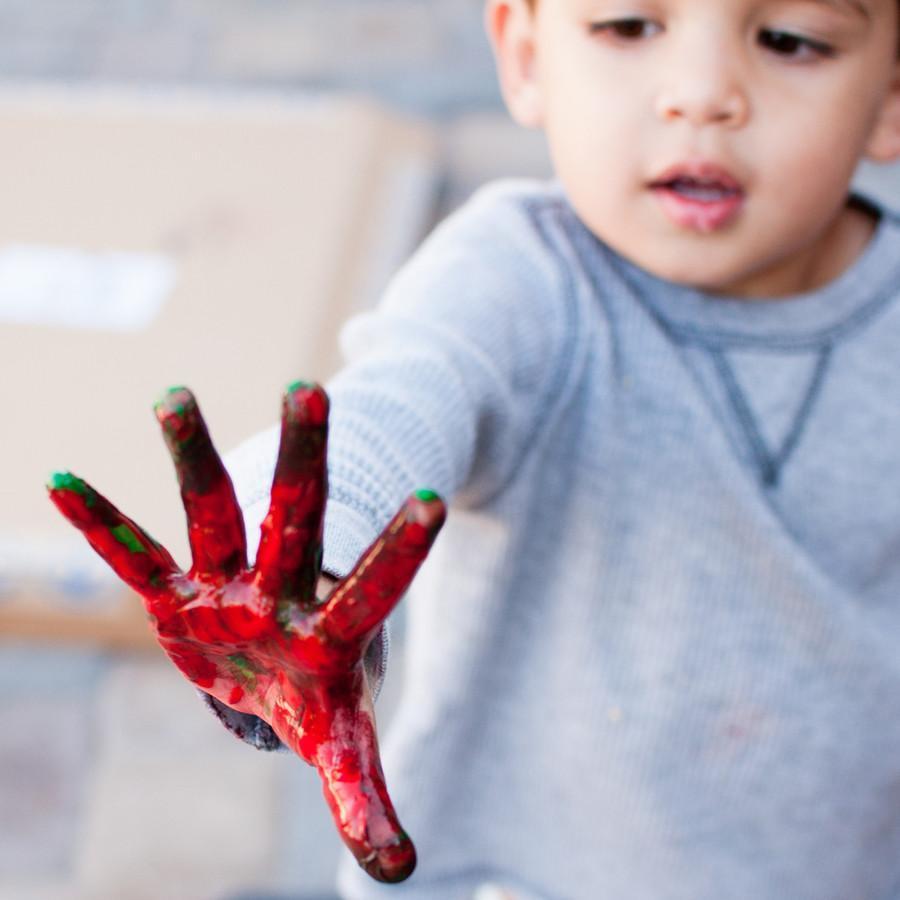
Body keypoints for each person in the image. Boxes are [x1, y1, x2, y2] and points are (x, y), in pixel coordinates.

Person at [49, 0, 900, 898]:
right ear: (527, 55)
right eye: (627, 26)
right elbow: (400, 401)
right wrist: (303, 561)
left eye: (791, 39)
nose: (701, 95)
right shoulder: (519, 281)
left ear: (890, 92)